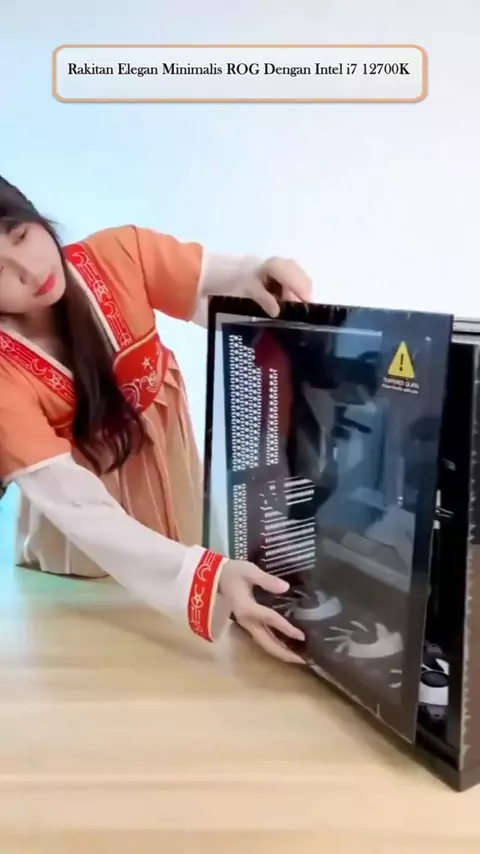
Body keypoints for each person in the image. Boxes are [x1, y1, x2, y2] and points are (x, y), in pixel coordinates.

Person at [0, 176, 311, 664]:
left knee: (189, 535)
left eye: (21, 236)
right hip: (84, 519)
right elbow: (77, 506)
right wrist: (209, 581)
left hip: (168, 461)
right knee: (93, 620)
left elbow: (218, 287)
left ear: (37, 218)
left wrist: (261, 275)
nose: (28, 270)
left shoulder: (119, 253)